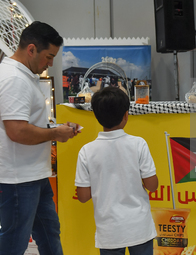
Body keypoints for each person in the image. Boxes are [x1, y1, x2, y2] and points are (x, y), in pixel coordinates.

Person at [0, 21, 81, 255]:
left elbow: (26, 124)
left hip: (33, 174)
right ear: (32, 49)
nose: (51, 64)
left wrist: (55, 127)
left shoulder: (22, 76)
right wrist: (55, 133)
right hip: (18, 179)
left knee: (49, 234)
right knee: (15, 242)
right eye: (49, 57)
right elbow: (17, 131)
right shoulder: (14, 79)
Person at [75, 87, 158, 255]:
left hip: (109, 232)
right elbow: (152, 185)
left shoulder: (86, 151)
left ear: (97, 117)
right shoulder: (138, 144)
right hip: (139, 228)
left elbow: (83, 197)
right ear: (126, 115)